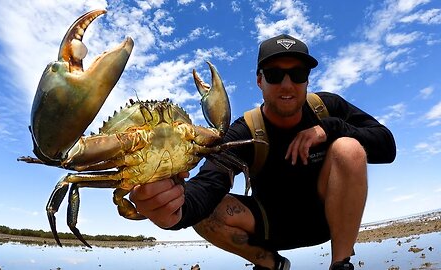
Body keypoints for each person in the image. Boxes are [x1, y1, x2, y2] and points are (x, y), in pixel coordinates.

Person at [129, 34, 396, 270]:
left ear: (307, 79)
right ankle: (271, 264)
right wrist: (174, 210)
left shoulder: (326, 108)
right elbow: (211, 181)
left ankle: (340, 264)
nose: (287, 84)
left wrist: (330, 128)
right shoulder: (246, 131)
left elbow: (387, 145)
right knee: (204, 211)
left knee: (348, 147)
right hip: (270, 227)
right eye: (274, 74)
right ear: (260, 80)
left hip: (327, 220)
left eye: (298, 73)